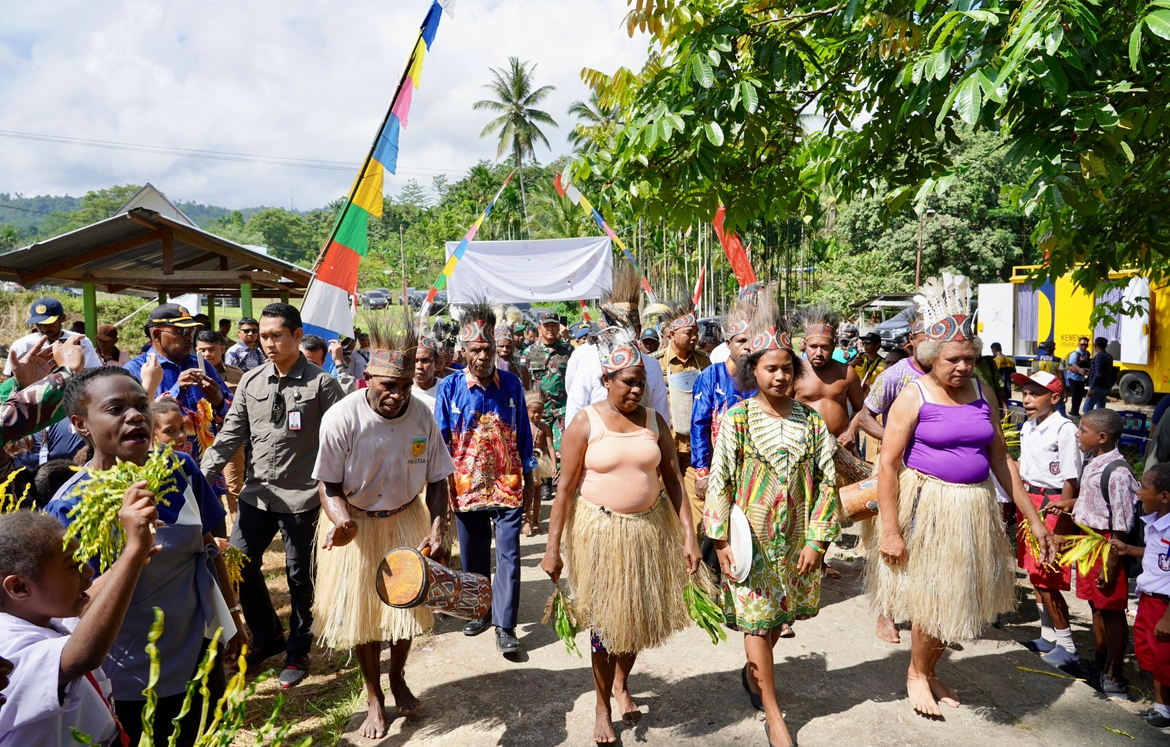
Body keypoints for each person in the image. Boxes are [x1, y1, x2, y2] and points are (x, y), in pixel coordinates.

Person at [867, 274, 1056, 717]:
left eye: (969, 359)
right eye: (953, 359)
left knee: (960, 595)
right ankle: (916, 674)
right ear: (931, 358)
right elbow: (888, 465)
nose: (963, 367)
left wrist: (1033, 519)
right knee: (934, 596)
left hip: (974, 507)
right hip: (930, 506)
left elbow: (1001, 459)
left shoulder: (984, 392)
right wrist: (890, 530)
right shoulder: (913, 396)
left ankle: (929, 668)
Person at [45, 366, 245, 747]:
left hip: (198, 656)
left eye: (141, 405)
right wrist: (132, 554)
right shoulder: (70, 506)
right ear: (81, 424)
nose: (135, 416)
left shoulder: (179, 469)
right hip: (129, 679)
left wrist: (232, 616)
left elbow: (207, 548)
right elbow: (72, 607)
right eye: (116, 409)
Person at [541, 330, 700, 745]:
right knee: (604, 625)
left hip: (648, 532)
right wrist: (552, 548)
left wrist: (689, 536)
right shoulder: (584, 422)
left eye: (641, 383)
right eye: (627, 382)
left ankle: (622, 683)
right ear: (606, 380)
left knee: (635, 620)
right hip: (600, 534)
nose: (636, 390)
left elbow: (673, 481)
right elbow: (564, 489)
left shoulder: (655, 422)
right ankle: (601, 708)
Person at [705, 287, 840, 747]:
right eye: (770, 368)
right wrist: (721, 541)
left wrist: (817, 541)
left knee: (778, 620)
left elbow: (827, 483)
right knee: (757, 623)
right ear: (753, 371)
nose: (780, 376)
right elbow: (720, 482)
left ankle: (753, 673)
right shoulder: (738, 420)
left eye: (786, 368)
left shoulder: (811, 422)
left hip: (797, 545)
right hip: (751, 545)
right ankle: (773, 710)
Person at [312, 319, 454, 740]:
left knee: (406, 608)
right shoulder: (341, 417)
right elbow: (328, 484)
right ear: (368, 379)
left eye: (405, 387)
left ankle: (397, 675)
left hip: (406, 518)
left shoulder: (422, 415)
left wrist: (438, 527)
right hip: (356, 524)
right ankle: (374, 695)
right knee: (366, 618)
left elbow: (438, 479)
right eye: (388, 387)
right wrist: (341, 521)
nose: (398, 396)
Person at [202, 303, 344, 688]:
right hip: (258, 495)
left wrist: (340, 497)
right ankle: (267, 637)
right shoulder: (252, 381)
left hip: (304, 498)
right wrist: (196, 479)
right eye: (264, 336)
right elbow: (230, 435)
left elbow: (341, 442)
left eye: (276, 336)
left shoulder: (322, 384)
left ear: (297, 336)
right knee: (237, 565)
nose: (267, 343)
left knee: (300, 576)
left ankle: (298, 649)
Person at [0, 504, 157, 746]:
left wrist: (131, 558)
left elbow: (88, 602)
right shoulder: (8, 645)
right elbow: (81, 657)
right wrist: (132, 556)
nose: (89, 571)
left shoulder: (42, 615)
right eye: (73, 566)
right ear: (19, 587)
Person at [434, 300, 536, 654]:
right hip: (466, 486)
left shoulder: (511, 384)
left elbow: (523, 433)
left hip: (508, 484)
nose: (483, 356)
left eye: (488, 349)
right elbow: (441, 440)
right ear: (463, 351)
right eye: (475, 350)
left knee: (509, 554)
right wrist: (441, 487)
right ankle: (480, 610)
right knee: (473, 554)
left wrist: (530, 474)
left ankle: (505, 626)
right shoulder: (449, 388)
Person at [1010, 370, 1082, 668]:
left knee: (1048, 573)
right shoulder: (1028, 426)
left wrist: (1062, 523)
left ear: (1054, 398)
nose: (1027, 399)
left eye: (1035, 393)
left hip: (1053, 504)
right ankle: (1047, 635)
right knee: (1034, 572)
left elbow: (1071, 480)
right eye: (1025, 393)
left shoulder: (1064, 429)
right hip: (1029, 500)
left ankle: (1068, 646)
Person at [1072, 408, 1139, 698]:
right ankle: (1099, 662)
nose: (1077, 435)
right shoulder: (1094, 461)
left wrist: (1110, 565)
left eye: (1082, 430)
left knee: (1112, 610)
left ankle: (1114, 673)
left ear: (1101, 437)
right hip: (1089, 543)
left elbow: (1122, 525)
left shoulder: (1118, 473)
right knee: (1095, 605)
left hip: (1107, 547)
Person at [124, 304, 231, 467]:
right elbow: (135, 420)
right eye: (181, 331)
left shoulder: (201, 364)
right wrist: (177, 391)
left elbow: (233, 411)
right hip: (163, 467)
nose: (189, 337)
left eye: (191, 331)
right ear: (157, 334)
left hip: (208, 466)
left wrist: (219, 401)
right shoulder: (136, 370)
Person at [691, 298, 757, 561]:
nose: (748, 346)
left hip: (754, 470)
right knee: (715, 530)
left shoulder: (761, 377)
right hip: (719, 469)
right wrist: (702, 472)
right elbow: (699, 426)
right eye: (741, 341)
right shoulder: (711, 376)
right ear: (728, 343)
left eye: (752, 341)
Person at [565, 268, 672, 429]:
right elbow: (575, 410)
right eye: (620, 329)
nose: (627, 334)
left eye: (632, 329)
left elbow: (661, 416)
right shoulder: (589, 361)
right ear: (609, 330)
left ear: (638, 330)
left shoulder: (652, 365)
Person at [1109, 463, 1170, 728]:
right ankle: (1162, 708)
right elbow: (1157, 555)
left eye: (1143, 487)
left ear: (1164, 496)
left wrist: (1168, 617)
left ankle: (1164, 710)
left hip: (1165, 606)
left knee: (1165, 658)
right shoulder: (1156, 522)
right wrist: (1128, 549)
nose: (1137, 492)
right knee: (1154, 656)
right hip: (1148, 599)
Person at [650, 300, 709, 541]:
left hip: (696, 449)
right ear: (672, 333)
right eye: (689, 332)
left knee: (699, 506)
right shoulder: (655, 363)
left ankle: (694, 553)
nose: (695, 337)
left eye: (696, 332)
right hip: (665, 447)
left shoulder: (705, 362)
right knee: (660, 504)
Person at [791, 305, 865, 473]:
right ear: (805, 345)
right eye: (813, 346)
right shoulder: (794, 372)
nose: (818, 352)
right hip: (801, 449)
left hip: (840, 448)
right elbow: (781, 408)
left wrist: (851, 431)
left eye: (824, 347)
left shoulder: (847, 373)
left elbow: (860, 409)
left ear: (834, 345)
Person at [519, 310, 573, 517]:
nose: (550, 329)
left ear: (559, 327)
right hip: (538, 411)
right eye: (546, 325)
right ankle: (543, 483)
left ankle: (561, 487)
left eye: (554, 325)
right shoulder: (530, 352)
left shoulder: (568, 350)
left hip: (561, 409)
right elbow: (525, 381)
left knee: (561, 449)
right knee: (537, 448)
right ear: (539, 328)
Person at [4, 298, 101, 376]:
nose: (44, 329)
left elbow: (94, 374)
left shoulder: (80, 341)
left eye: (49, 323)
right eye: (39, 324)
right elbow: (8, 378)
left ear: (62, 318)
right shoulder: (22, 345)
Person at [524, 391, 556, 535]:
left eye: (540, 412)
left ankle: (536, 521)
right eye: (534, 412)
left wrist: (554, 465)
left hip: (540, 462)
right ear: (527, 411)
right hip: (526, 462)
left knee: (537, 493)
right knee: (527, 492)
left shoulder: (545, 427)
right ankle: (527, 521)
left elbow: (551, 447)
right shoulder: (523, 426)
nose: (537, 415)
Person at [413, 335, 445, 412]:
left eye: (425, 360)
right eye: (415, 360)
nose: (419, 366)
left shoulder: (446, 388)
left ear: (436, 363)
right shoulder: (404, 390)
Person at [1085, 337, 1116, 412]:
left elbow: (1098, 374)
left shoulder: (1099, 357)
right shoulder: (1109, 356)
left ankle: (1090, 420)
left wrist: (1092, 388)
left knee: (1087, 409)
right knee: (1101, 409)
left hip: (1097, 387)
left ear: (1095, 345)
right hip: (1106, 387)